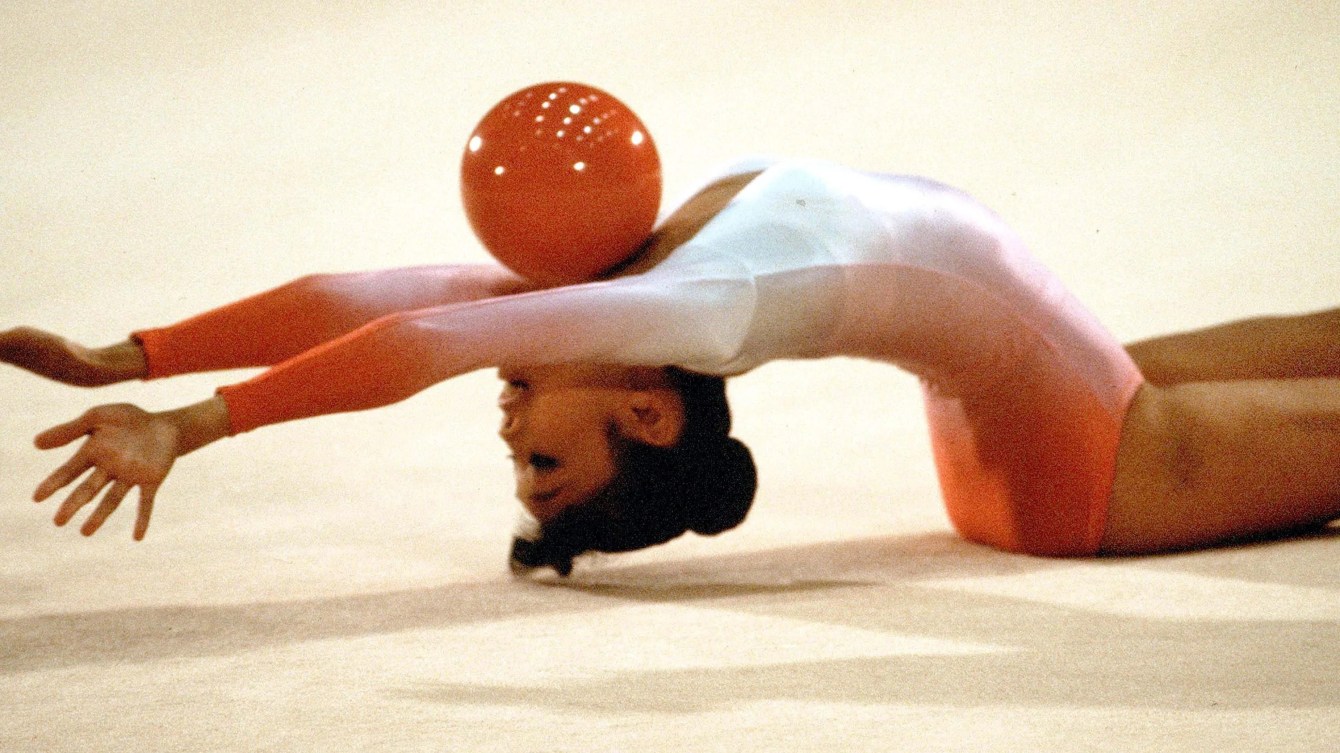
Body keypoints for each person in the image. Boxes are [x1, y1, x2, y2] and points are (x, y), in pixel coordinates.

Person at [3, 157, 1338, 576]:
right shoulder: (687, 310)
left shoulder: (622, 296)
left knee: (1163, 371)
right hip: (1082, 478)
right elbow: (413, 347)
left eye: (518, 445)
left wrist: (138, 355)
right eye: (544, 455)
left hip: (1046, 400)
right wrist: (187, 429)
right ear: (646, 410)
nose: (511, 403)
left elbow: (380, 298)